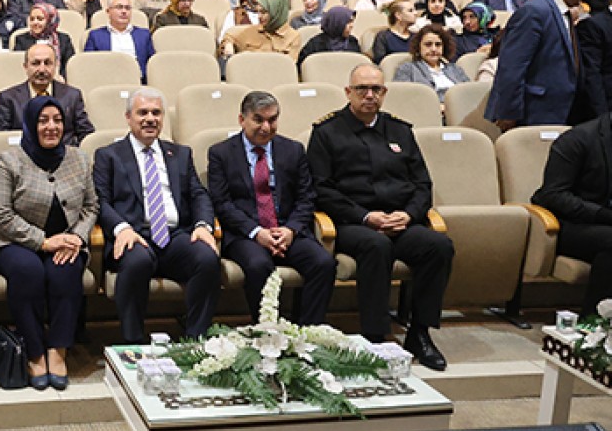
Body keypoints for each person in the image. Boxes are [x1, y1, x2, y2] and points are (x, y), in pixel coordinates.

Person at [307, 65, 453, 369]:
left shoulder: (400, 130)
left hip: (400, 221)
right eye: (362, 89)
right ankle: (375, 335)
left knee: (439, 246)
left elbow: (422, 185)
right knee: (377, 246)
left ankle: (420, 333)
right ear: (348, 92)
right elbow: (321, 190)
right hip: (353, 223)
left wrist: (408, 214)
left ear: (384, 93)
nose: (370, 96)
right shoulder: (327, 132)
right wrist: (365, 216)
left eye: (377, 90)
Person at [0, 96, 98, 389]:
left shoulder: (79, 158)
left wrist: (77, 237)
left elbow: (91, 207)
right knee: (29, 271)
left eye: (57, 120)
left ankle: (58, 350)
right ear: (29, 124)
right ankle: (35, 352)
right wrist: (43, 242)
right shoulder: (9, 160)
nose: (51, 127)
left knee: (65, 271)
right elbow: (1, 216)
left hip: (66, 239)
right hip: (12, 240)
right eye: (43, 120)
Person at [91, 88, 221, 342]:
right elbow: (100, 201)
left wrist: (203, 225)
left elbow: (199, 194)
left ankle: (196, 340)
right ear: (128, 117)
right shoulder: (109, 155)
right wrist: (121, 228)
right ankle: (134, 342)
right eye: (142, 113)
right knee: (137, 261)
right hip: (134, 235)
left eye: (156, 113)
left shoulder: (180, 154)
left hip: (175, 236)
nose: (150, 118)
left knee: (206, 258)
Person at [207, 91, 335, 324]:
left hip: (288, 230)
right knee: (259, 265)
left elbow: (306, 197)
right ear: (241, 119)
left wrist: (291, 230)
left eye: (272, 119)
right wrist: (258, 233)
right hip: (246, 234)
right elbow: (221, 203)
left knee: (323, 263)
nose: (266, 127)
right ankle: (267, 333)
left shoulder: (293, 150)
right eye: (258, 120)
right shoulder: (221, 153)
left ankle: (308, 332)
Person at [487, 0, 597, 129]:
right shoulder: (534, 11)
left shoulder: (562, 12)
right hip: (535, 112)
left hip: (563, 111)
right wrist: (509, 113)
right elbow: (512, 66)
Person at [531, 111, 612, 316]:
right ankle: (594, 324)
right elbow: (553, 195)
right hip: (570, 225)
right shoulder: (578, 139)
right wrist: (603, 214)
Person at [0, 43, 94, 147]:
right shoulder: (9, 98)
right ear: (25, 67)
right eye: (36, 63)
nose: (42, 69)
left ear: (56, 65)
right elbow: (2, 139)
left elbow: (86, 134)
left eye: (47, 63)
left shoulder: (72, 96)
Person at [83, 0, 155, 81]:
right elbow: (88, 64)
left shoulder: (144, 35)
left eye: (127, 8)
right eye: (119, 7)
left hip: (137, 83)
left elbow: (152, 65)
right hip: (106, 83)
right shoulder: (95, 36)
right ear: (108, 11)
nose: (124, 11)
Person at [393, 24, 471, 103]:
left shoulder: (455, 69)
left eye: (438, 44)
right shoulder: (407, 69)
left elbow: (469, 93)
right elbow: (402, 99)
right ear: (418, 47)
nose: (433, 49)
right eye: (428, 44)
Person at [219, 0, 301, 60]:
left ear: (276, 13)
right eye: (258, 12)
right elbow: (230, 36)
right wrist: (228, 44)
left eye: (264, 12)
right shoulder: (251, 31)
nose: (259, 16)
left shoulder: (293, 37)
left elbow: (289, 68)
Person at [11, 3, 76, 73]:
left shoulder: (64, 39)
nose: (35, 22)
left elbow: (70, 68)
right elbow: (18, 69)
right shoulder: (21, 39)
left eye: (40, 19)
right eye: (32, 19)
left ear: (50, 20)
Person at [296, 6, 361, 69]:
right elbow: (302, 67)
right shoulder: (315, 44)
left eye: (352, 22)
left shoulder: (353, 42)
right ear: (336, 22)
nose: (352, 26)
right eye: (348, 22)